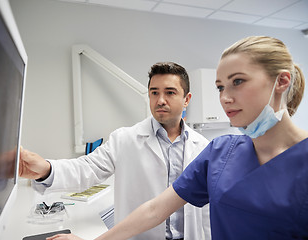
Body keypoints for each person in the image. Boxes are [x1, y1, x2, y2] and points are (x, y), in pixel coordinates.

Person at [49, 36, 308, 240]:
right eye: (220, 87)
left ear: (281, 81)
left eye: (237, 81)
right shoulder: (220, 152)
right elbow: (154, 210)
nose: (225, 97)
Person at [19, 62, 211, 240]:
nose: (160, 100)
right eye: (154, 93)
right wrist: (45, 169)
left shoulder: (202, 146)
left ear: (186, 99)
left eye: (170, 92)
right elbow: (86, 168)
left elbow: (207, 212)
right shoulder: (124, 139)